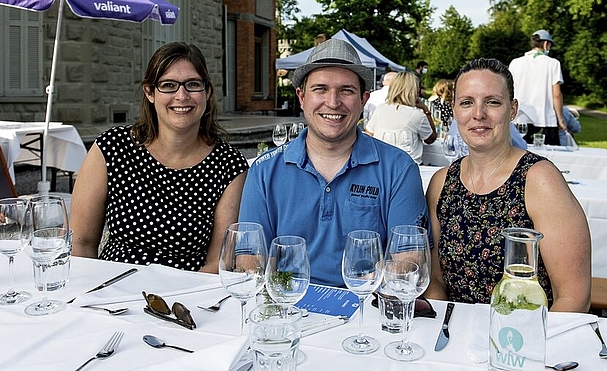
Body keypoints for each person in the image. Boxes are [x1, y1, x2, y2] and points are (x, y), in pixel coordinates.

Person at [239, 39, 429, 287]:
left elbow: (409, 259)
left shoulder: (399, 168)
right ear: (302, 97)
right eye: (320, 89)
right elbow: (249, 257)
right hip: (286, 307)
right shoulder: (264, 170)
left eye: (346, 90)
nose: (333, 102)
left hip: (366, 307)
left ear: (363, 100)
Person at [425, 58, 591, 312]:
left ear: (512, 109)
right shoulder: (441, 183)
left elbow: (573, 297)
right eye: (467, 102)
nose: (478, 114)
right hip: (454, 336)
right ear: (455, 109)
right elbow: (436, 282)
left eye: (492, 102)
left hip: (521, 339)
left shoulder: (540, 180)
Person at [71, 42, 249, 272]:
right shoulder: (112, 147)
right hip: (112, 293)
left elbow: (218, 262)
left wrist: (171, 304)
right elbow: (81, 244)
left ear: (208, 92)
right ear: (149, 92)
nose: (181, 96)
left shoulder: (229, 165)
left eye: (193, 84)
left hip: (185, 297)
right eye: (168, 85)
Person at [365, 71, 437, 165]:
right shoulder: (417, 115)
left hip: (383, 164)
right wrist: (426, 111)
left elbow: (368, 134)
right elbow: (430, 139)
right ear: (414, 90)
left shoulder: (381, 109)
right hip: (408, 166)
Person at [509, 30, 566, 145]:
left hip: (519, 121)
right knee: (549, 160)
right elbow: (556, 94)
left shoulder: (515, 63)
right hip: (545, 121)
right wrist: (560, 119)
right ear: (545, 44)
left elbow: (509, 91)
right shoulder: (553, 63)